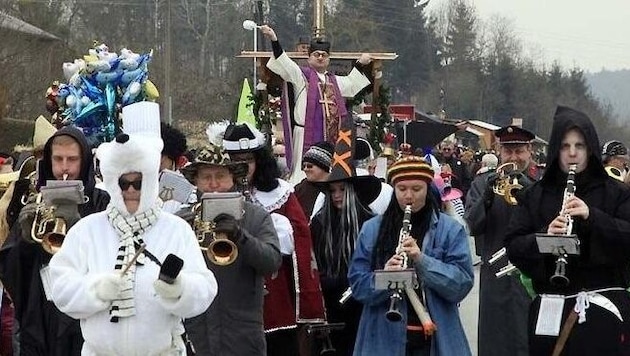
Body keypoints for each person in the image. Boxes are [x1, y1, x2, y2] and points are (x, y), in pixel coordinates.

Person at [47, 125, 217, 354]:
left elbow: (205, 288)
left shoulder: (176, 229)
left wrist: (180, 289)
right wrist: (95, 290)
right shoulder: (87, 230)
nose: (130, 190)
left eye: (138, 182)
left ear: (150, 182)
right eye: (122, 183)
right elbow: (59, 288)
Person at [505, 106, 630, 355]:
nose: (572, 154)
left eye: (580, 146)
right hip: (549, 311)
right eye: (564, 146)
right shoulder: (534, 195)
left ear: (591, 147)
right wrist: (545, 237)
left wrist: (593, 217)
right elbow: (514, 246)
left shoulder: (616, 192)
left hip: (604, 312)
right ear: (555, 150)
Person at [0, 126, 110, 355]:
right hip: (41, 308)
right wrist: (25, 236)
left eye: (72, 160)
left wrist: (81, 224)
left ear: (85, 161)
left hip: (84, 308)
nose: (65, 168)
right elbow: (12, 266)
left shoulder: (101, 201)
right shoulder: (35, 199)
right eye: (58, 159)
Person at [349, 156, 473, 356]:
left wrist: (422, 260)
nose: (409, 196)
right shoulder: (372, 229)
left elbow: (462, 285)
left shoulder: (450, 229)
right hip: (382, 337)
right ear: (393, 190)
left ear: (428, 189)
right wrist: (385, 277)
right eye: (402, 189)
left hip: (434, 337)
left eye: (417, 189)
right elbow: (358, 286)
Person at [222, 122, 326, 355]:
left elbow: (298, 236)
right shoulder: (216, 191)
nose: (242, 167)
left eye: (247, 160)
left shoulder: (280, 192)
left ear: (258, 160)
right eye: (234, 161)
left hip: (274, 287)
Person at [180, 143, 282, 355]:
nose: (214, 184)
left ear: (233, 178)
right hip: (195, 334)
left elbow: (272, 263)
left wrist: (240, 236)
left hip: (242, 335)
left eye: (221, 176)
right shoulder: (181, 222)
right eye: (206, 177)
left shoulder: (256, 216)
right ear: (196, 182)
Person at [260, 24, 374, 182]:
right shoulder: (301, 77)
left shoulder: (334, 82)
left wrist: (360, 64)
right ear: (309, 58)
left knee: (327, 177)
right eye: (316, 54)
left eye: (324, 55)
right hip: (304, 135)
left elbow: (352, 84)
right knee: (302, 178)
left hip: (328, 138)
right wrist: (274, 39)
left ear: (328, 59)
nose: (320, 57)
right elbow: (285, 62)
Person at [463, 125, 538, 356]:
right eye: (508, 151)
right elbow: (473, 225)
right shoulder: (482, 183)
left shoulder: (541, 185)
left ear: (530, 151)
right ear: (499, 152)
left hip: (531, 278)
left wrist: (529, 192)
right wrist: (486, 197)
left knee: (530, 339)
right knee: (494, 341)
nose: (514, 157)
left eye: (519, 151)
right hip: (495, 278)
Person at [309, 132, 382, 355]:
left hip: (363, 305)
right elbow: (313, 263)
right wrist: (325, 282)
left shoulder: (370, 223)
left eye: (342, 190)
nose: (336, 196)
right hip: (330, 305)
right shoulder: (320, 223)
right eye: (332, 191)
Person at [295, 141, 334, 218]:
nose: (305, 169)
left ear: (323, 167)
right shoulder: (300, 188)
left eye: (309, 166)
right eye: (304, 166)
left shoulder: (336, 188)